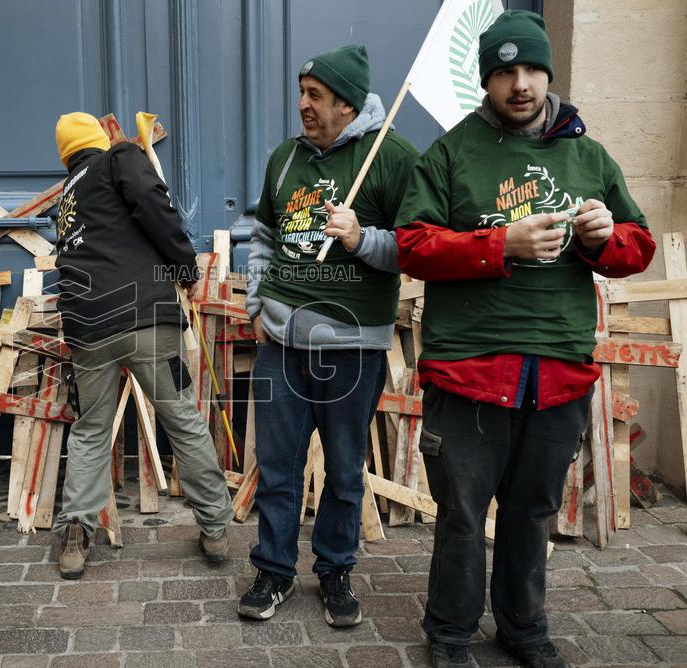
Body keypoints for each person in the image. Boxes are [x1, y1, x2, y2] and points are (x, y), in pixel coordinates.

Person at [395, 11, 655, 668]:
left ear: (548, 73)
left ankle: (522, 629)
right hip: (469, 370)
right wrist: (497, 244)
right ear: (486, 79)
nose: (520, 84)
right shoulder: (451, 152)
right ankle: (450, 635)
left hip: (558, 371)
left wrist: (605, 238)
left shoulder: (589, 156)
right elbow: (411, 244)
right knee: (460, 516)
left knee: (531, 512)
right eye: (504, 71)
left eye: (531, 69)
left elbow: (638, 246)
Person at [240, 45, 417, 626]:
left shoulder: (390, 158)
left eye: (315, 95)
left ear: (346, 103)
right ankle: (273, 570)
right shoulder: (285, 160)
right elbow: (262, 235)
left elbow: (419, 247)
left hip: (351, 351)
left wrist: (363, 239)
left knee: (344, 470)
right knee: (278, 465)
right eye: (301, 92)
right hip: (282, 345)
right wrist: (256, 298)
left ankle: (336, 570)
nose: (303, 105)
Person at [50, 112, 233, 579]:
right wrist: (186, 269)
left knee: (91, 429)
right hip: (144, 319)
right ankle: (214, 526)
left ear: (65, 155)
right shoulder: (120, 158)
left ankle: (76, 533)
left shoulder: (66, 200)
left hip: (88, 330)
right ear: (100, 138)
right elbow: (154, 204)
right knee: (180, 418)